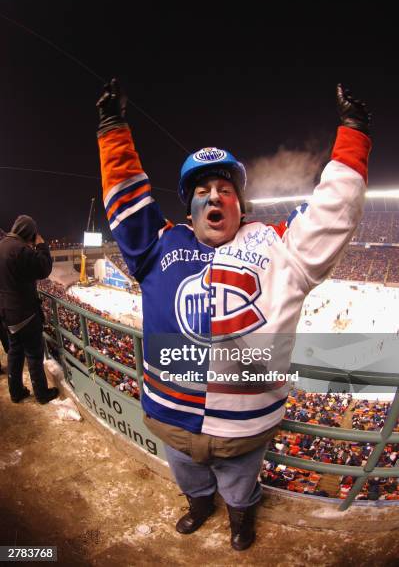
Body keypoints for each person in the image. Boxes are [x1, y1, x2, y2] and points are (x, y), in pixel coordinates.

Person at [96, 80, 371, 550]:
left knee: (241, 483)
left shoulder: (280, 245)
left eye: (225, 188)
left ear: (240, 204)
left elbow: (332, 213)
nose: (214, 196)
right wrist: (112, 130)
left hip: (246, 429)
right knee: (187, 472)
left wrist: (353, 135)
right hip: (171, 418)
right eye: (202, 190)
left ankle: (241, 513)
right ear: (190, 208)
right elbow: (126, 199)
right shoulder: (159, 245)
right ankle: (199, 502)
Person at [0, 215, 59, 404]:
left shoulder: (3, 245)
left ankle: (16, 392)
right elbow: (44, 268)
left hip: (6, 312)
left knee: (15, 352)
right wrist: (41, 246)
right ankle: (42, 394)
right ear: (29, 233)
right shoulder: (19, 250)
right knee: (34, 354)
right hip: (24, 313)